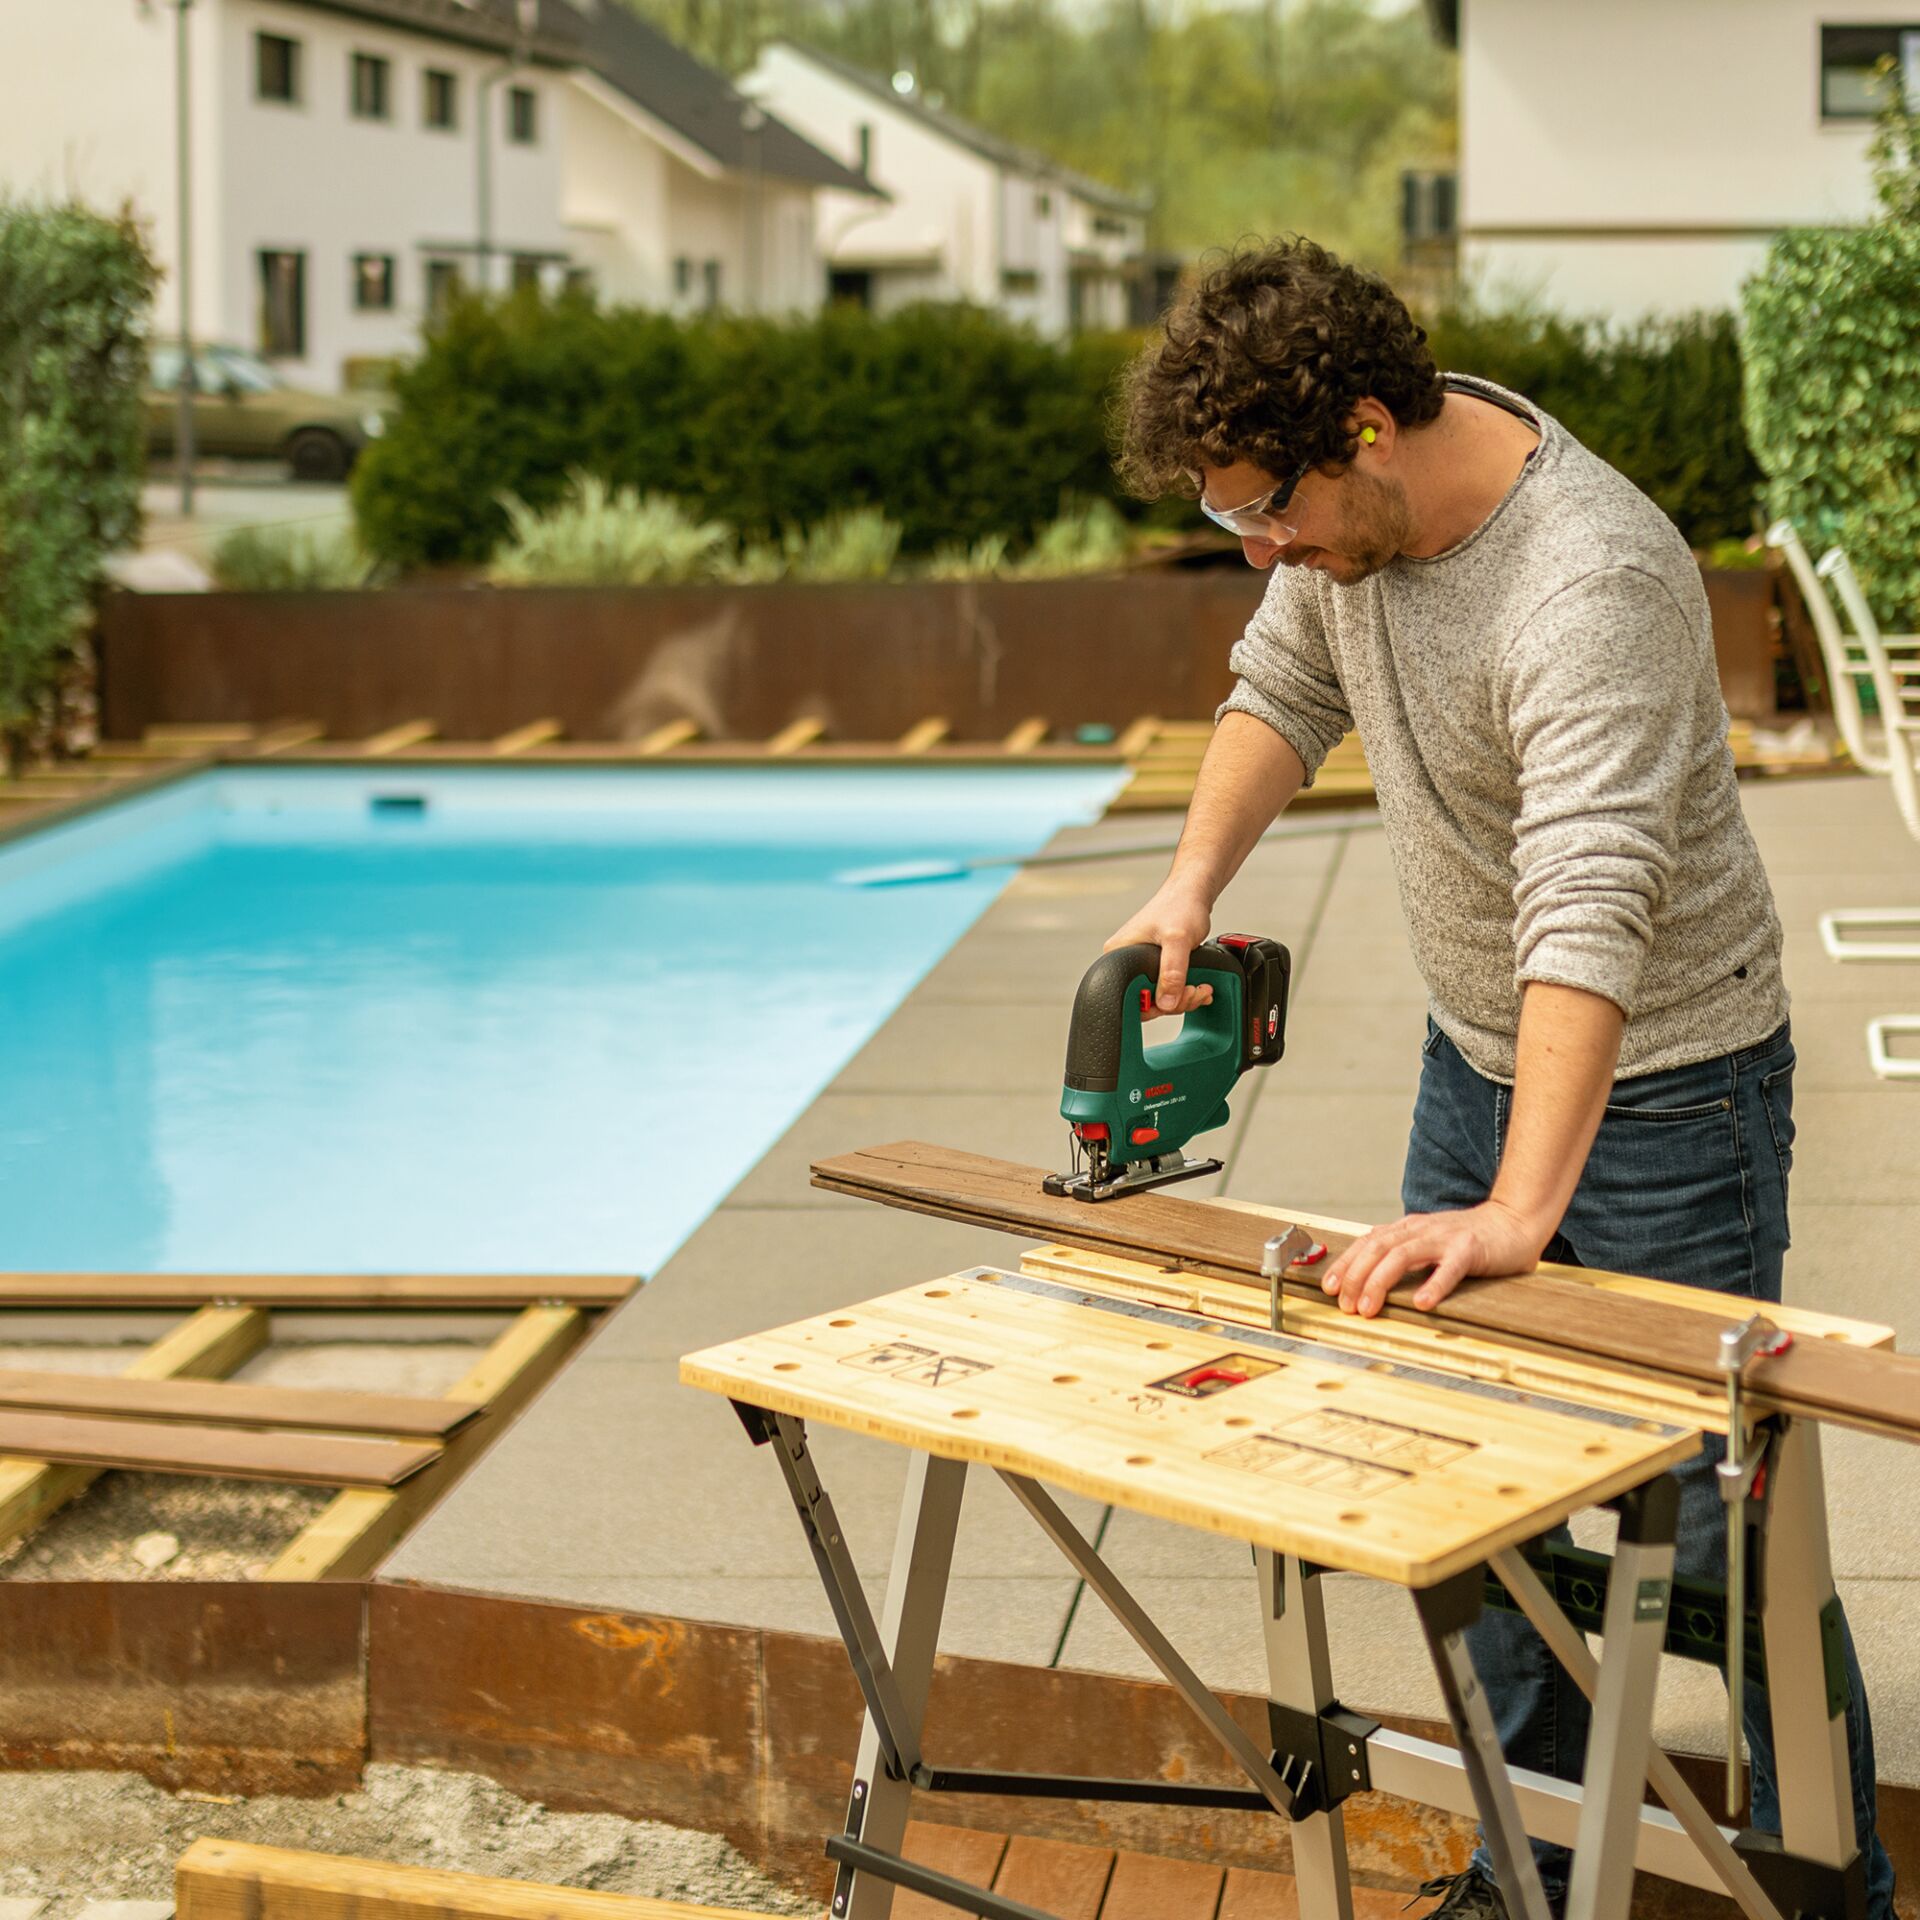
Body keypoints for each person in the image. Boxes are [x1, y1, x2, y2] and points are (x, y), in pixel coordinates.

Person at [1106, 236, 1895, 1920]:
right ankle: (1530, 1867)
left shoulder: (1587, 579)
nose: (1264, 552)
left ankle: (1832, 1887)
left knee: (1724, 1535)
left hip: (1674, 1094)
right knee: (1480, 1495)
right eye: (1236, 524)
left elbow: (1590, 895)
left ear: (1366, 428)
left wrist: (1522, 1212)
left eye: (1269, 514)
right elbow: (1280, 689)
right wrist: (1189, 884)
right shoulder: (1344, 521)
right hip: (1477, 1059)